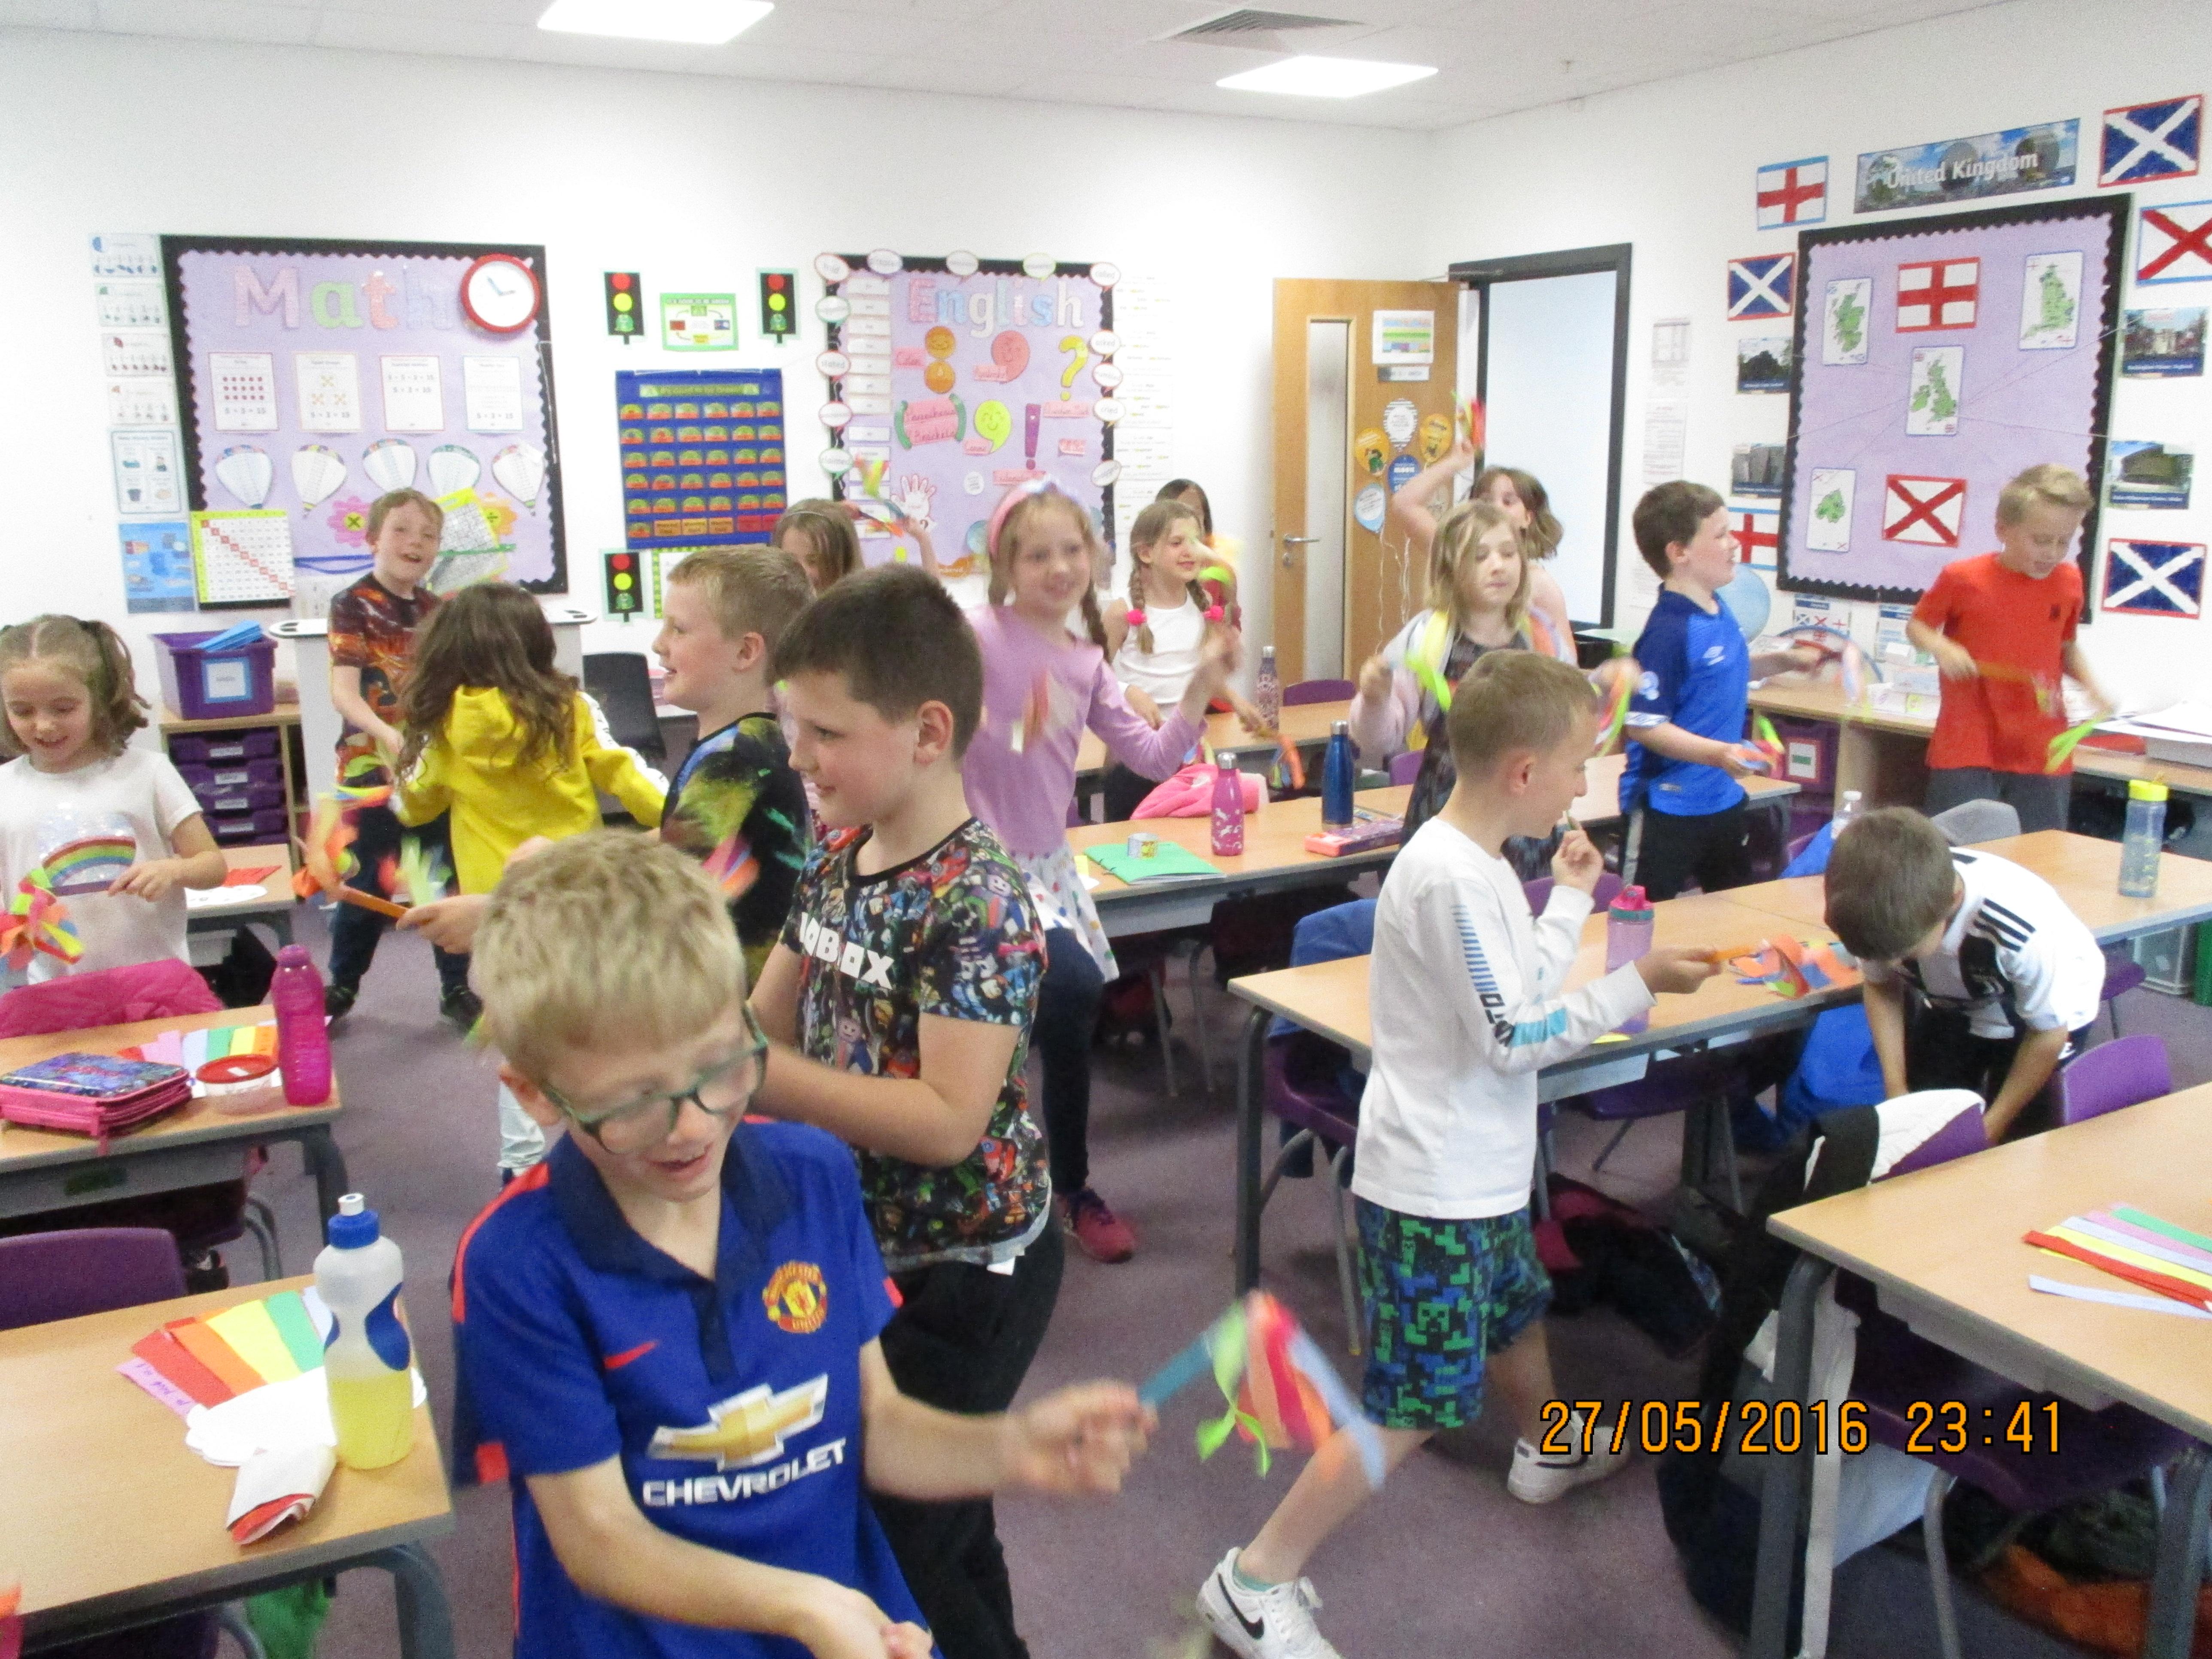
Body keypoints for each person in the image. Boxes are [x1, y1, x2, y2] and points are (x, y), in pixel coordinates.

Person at [452, 831, 1151, 1659]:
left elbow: (876, 1423)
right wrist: (801, 1606)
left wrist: (1013, 1446)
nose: (693, 1125)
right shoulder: (514, 1263)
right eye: (633, 1102)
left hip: (834, 1622)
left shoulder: (813, 1174)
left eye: (721, 1066)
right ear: (534, 1093)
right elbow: (598, 1537)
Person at [1196, 652, 1722, 1659]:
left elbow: (1514, 988)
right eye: (1576, 765)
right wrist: (1637, 982)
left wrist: (1569, 901)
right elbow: (1514, 1037)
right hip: (1433, 1187)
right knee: (1416, 1405)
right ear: (1522, 772)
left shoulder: (1483, 866)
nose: (1583, 784)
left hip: (1477, 1172)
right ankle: (1253, 1578)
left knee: (1513, 1309)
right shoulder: (1446, 878)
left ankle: (1546, 1449)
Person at [746, 564, 1079, 1659]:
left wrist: (752, 1076)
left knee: (905, 1534)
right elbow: (765, 1019)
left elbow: (946, 1121)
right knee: (942, 1517)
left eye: (825, 732)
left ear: (928, 732)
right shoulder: (839, 855)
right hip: (870, 1248)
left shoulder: (978, 901)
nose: (798, 756)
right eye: (793, 727)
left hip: (970, 1268)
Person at [962, 481, 1238, 1264]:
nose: (1058, 567)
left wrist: (1198, 688)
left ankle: (1071, 1186)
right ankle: (980, 1179)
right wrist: (1002, 727)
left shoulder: (1085, 660)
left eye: (1071, 551)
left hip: (1044, 871)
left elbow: (1150, 757)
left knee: (1071, 1000)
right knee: (994, 1027)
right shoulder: (972, 636)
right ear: (1005, 564)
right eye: (1036, 554)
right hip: (969, 868)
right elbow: (931, 725)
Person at [395, 582, 666, 1177]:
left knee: (517, 1032)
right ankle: (619, 1142)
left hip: (497, 914)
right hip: (580, 897)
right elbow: (631, 778)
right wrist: (682, 815)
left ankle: (520, 1169)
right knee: (598, 1021)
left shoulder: (443, 727)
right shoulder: (570, 709)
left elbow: (411, 807)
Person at [1823, 806, 2102, 1140]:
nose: (1891, 962)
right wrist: (1896, 1088)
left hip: (2046, 1015)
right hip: (1953, 999)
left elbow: (2047, 1035)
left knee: (2022, 1139)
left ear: (1952, 902)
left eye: (1904, 954)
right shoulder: (1876, 908)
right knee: (1923, 1124)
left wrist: (1993, 1126)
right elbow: (1881, 987)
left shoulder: (2021, 933)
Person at [1621, 481, 1820, 899]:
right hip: (1668, 808)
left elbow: (1722, 673)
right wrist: (1720, 754)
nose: (1734, 544)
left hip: (1722, 799)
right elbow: (1644, 726)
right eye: (1720, 535)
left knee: (1734, 912)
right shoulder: (1669, 632)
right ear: (1679, 553)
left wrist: (1785, 661)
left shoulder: (1718, 607)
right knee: (1642, 919)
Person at [0, 615, 225, 981]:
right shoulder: (4, 788)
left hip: (155, 981)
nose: (44, 725)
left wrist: (172, 870)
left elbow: (212, 866)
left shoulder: (148, 772)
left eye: (63, 708)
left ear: (100, 699)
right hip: (55, 991)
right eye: (22, 711)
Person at [322, 487, 472, 1026]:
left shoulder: (439, 611)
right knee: (368, 878)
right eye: (402, 530)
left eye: (429, 535)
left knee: (442, 874)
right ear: (373, 539)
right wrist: (387, 734)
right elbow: (344, 693)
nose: (416, 543)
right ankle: (342, 985)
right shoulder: (351, 604)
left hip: (433, 766)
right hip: (370, 765)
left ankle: (456, 988)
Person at [1908, 463, 2114, 834]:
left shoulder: (2069, 581)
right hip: (1969, 741)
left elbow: (2065, 647)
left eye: (2064, 542)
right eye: (2041, 540)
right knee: (1958, 847)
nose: (2052, 553)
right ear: (2003, 530)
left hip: (2042, 744)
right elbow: (1918, 627)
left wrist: (2094, 688)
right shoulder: (1963, 578)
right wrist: (1942, 647)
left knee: (2041, 849)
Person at [653, 547, 814, 979]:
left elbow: (664, 892)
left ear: (745, 652)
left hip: (733, 998)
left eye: (678, 629)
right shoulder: (745, 743)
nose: (659, 644)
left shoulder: (734, 760)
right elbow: (695, 850)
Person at [1350, 498, 1533, 846]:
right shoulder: (1427, 639)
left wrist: (1605, 684)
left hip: (1523, 822)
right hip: (1448, 819)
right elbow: (1376, 741)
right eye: (1480, 556)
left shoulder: (1536, 638)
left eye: (1509, 553)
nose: (1498, 566)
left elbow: (1568, 724)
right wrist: (1375, 700)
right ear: (1450, 569)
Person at [1098, 498, 1264, 820]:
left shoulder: (1204, 609)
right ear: (1146, 553)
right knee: (1133, 842)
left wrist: (1237, 701)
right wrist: (1129, 691)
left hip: (1188, 758)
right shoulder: (1122, 612)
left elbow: (1200, 677)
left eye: (1196, 542)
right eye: (1177, 543)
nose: (1191, 552)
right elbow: (1090, 676)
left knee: (1188, 841)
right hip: (1134, 759)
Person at [1388, 441, 1575, 660]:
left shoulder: (1541, 585)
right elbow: (1405, 503)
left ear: (1528, 517)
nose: (1495, 508)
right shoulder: (1458, 548)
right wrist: (1455, 463)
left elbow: (1566, 671)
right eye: (1485, 501)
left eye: (1508, 501)